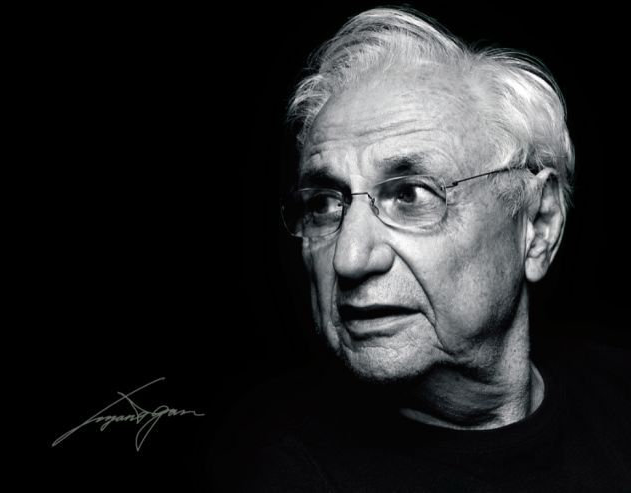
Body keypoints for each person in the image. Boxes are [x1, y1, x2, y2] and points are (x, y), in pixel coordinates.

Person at [212, 7, 631, 492]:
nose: (349, 258)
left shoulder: (620, 391)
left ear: (538, 226)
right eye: (325, 204)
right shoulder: (280, 469)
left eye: (411, 195)